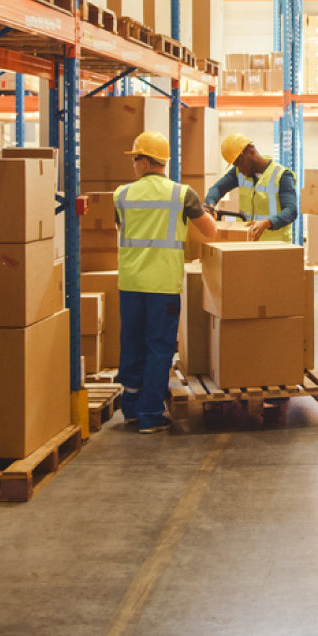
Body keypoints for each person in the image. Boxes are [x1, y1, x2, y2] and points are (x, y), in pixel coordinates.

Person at [114, 131, 217, 433]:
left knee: (131, 343)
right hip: (162, 287)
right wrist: (205, 212)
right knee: (159, 347)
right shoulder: (183, 194)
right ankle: (149, 414)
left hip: (130, 283)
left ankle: (131, 409)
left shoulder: (121, 194)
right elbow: (210, 231)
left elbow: (121, 228)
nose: (133, 165)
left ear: (145, 161)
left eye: (135, 160)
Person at [205, 133, 298, 242]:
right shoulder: (238, 172)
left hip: (275, 245)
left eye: (240, 162)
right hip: (248, 242)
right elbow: (217, 189)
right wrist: (210, 206)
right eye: (235, 165)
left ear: (251, 152)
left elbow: (291, 211)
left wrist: (267, 223)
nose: (239, 168)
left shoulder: (282, 175)